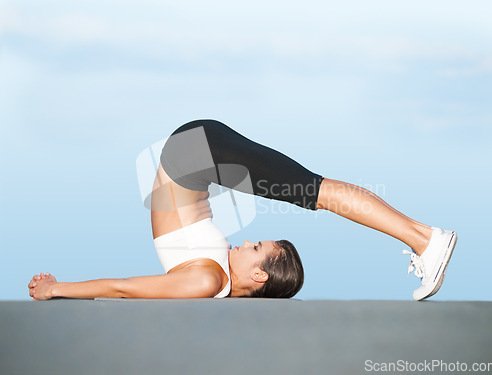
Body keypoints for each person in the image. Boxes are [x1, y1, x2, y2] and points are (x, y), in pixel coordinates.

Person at [28, 119, 457, 301]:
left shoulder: (206, 280)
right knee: (315, 192)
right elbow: (125, 289)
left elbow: (124, 289)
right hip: (197, 154)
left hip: (198, 152)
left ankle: (426, 239)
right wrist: (57, 288)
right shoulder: (211, 280)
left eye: (255, 248)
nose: (247, 241)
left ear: (258, 275)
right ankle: (423, 238)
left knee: (317, 192)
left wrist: (58, 287)